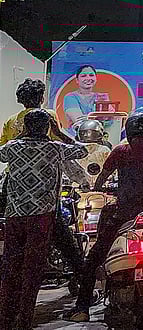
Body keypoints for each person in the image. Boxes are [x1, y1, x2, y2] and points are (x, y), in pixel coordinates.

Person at [65, 112, 143, 322]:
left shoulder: (120, 151)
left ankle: (82, 309)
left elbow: (101, 180)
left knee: (92, 260)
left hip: (124, 213)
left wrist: (101, 188)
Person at [0, 110, 90, 329]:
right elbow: (82, 150)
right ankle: (24, 321)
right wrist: (60, 134)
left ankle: (5, 318)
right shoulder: (55, 148)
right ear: (47, 127)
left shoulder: (12, 148)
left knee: (11, 267)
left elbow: (2, 155)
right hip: (42, 217)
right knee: (32, 269)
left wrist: (20, 136)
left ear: (25, 127)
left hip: (14, 216)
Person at [2, 79, 60, 146]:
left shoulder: (10, 120)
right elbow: (58, 141)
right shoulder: (49, 115)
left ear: (21, 100)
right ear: (42, 99)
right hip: (44, 155)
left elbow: (2, 145)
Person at [62, 65, 105, 130]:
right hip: (76, 136)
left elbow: (111, 119)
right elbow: (79, 121)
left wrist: (91, 117)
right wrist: (98, 117)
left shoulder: (101, 97)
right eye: (83, 76)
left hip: (99, 135)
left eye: (91, 75)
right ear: (77, 80)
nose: (88, 78)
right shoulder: (70, 97)